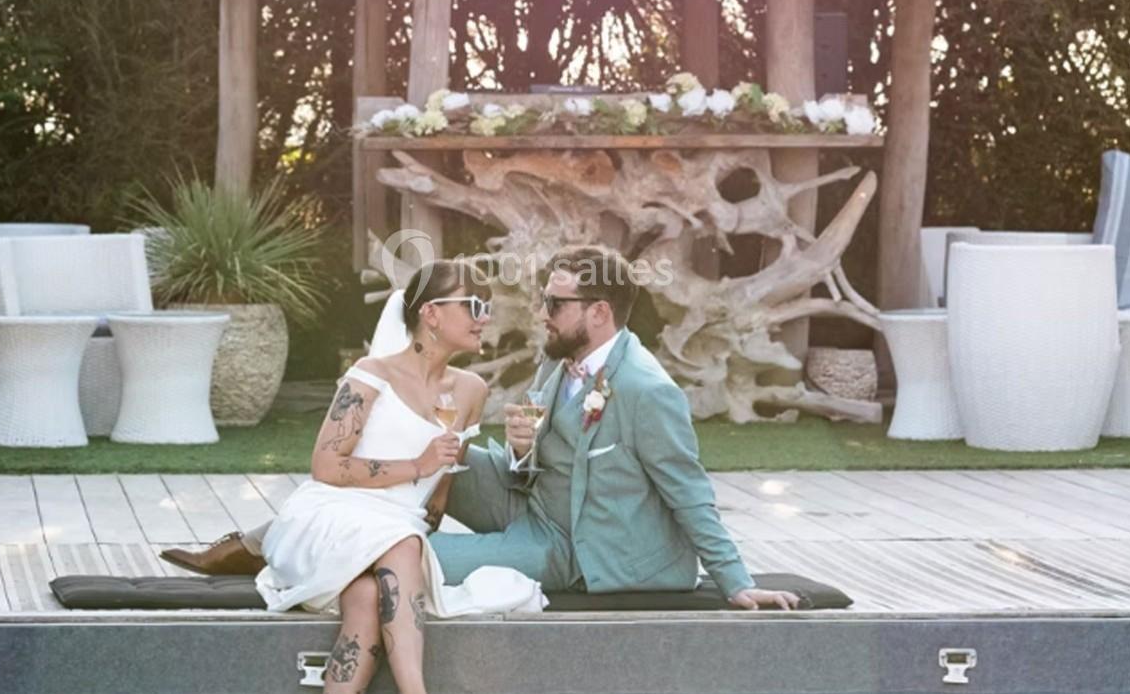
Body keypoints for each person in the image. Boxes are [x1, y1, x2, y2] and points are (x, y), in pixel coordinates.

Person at [163, 245, 798, 614]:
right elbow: (539, 462)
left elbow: (689, 491)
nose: (542, 315)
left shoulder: (645, 391)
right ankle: (260, 536)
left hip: (574, 547)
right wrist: (521, 453)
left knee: (403, 559)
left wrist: (737, 584)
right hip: (528, 495)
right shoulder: (564, 365)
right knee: (426, 445)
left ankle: (286, 548)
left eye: (556, 305)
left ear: (599, 313)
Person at [253, 259, 545, 694]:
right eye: (473, 305)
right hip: (332, 515)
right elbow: (326, 466)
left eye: (486, 306)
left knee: (369, 596)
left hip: (398, 533)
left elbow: (439, 495)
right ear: (430, 313)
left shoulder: (471, 391)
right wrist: (416, 466)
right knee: (401, 543)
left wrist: (519, 450)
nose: (484, 317)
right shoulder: (371, 376)